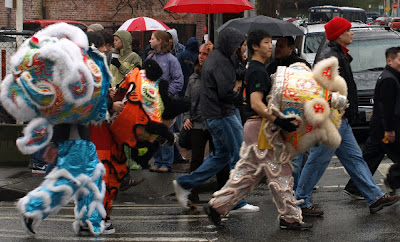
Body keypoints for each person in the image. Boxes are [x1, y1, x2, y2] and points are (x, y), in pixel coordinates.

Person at [202, 29, 312, 231]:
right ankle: (290, 217)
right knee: (280, 171)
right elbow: (256, 103)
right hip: (261, 128)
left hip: (256, 127)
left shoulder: (255, 68)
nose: (271, 46)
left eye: (271, 42)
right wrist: (280, 120)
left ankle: (217, 207)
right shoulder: (257, 70)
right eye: (267, 42)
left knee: (248, 173)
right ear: (255, 46)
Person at [294, 17, 399, 217]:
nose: (352, 33)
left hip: (340, 118)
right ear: (338, 34)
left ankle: (374, 197)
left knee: (354, 158)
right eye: (348, 30)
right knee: (318, 161)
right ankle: (300, 201)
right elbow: (320, 89)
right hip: (331, 119)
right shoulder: (330, 57)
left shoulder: (339, 54)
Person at [173, 27, 259, 214]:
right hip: (223, 114)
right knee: (239, 156)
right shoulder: (221, 61)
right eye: (240, 45)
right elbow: (225, 93)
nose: (242, 48)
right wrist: (242, 99)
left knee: (221, 156)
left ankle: (184, 183)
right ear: (231, 44)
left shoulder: (218, 59)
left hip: (214, 115)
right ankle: (234, 200)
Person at [344, 47, 400, 196]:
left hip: (380, 127)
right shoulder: (389, 79)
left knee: (370, 158)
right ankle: (392, 181)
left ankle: (354, 188)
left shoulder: (390, 76)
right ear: (389, 60)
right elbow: (387, 107)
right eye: (399, 59)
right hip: (386, 128)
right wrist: (389, 129)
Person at [182, 44, 229, 214]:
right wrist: (186, 117)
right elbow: (187, 99)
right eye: (200, 54)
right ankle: (191, 194)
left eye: (205, 54)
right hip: (197, 123)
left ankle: (223, 194)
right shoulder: (193, 77)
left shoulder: (217, 75)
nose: (201, 56)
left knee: (220, 158)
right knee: (196, 159)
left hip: (215, 121)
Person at [146, 30, 184, 172]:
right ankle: (157, 160)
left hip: (166, 102)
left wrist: (166, 94)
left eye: (152, 38)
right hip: (152, 102)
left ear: (160, 41)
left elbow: (178, 80)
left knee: (167, 130)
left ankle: (167, 163)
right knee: (155, 131)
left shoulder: (171, 60)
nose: (150, 41)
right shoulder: (150, 59)